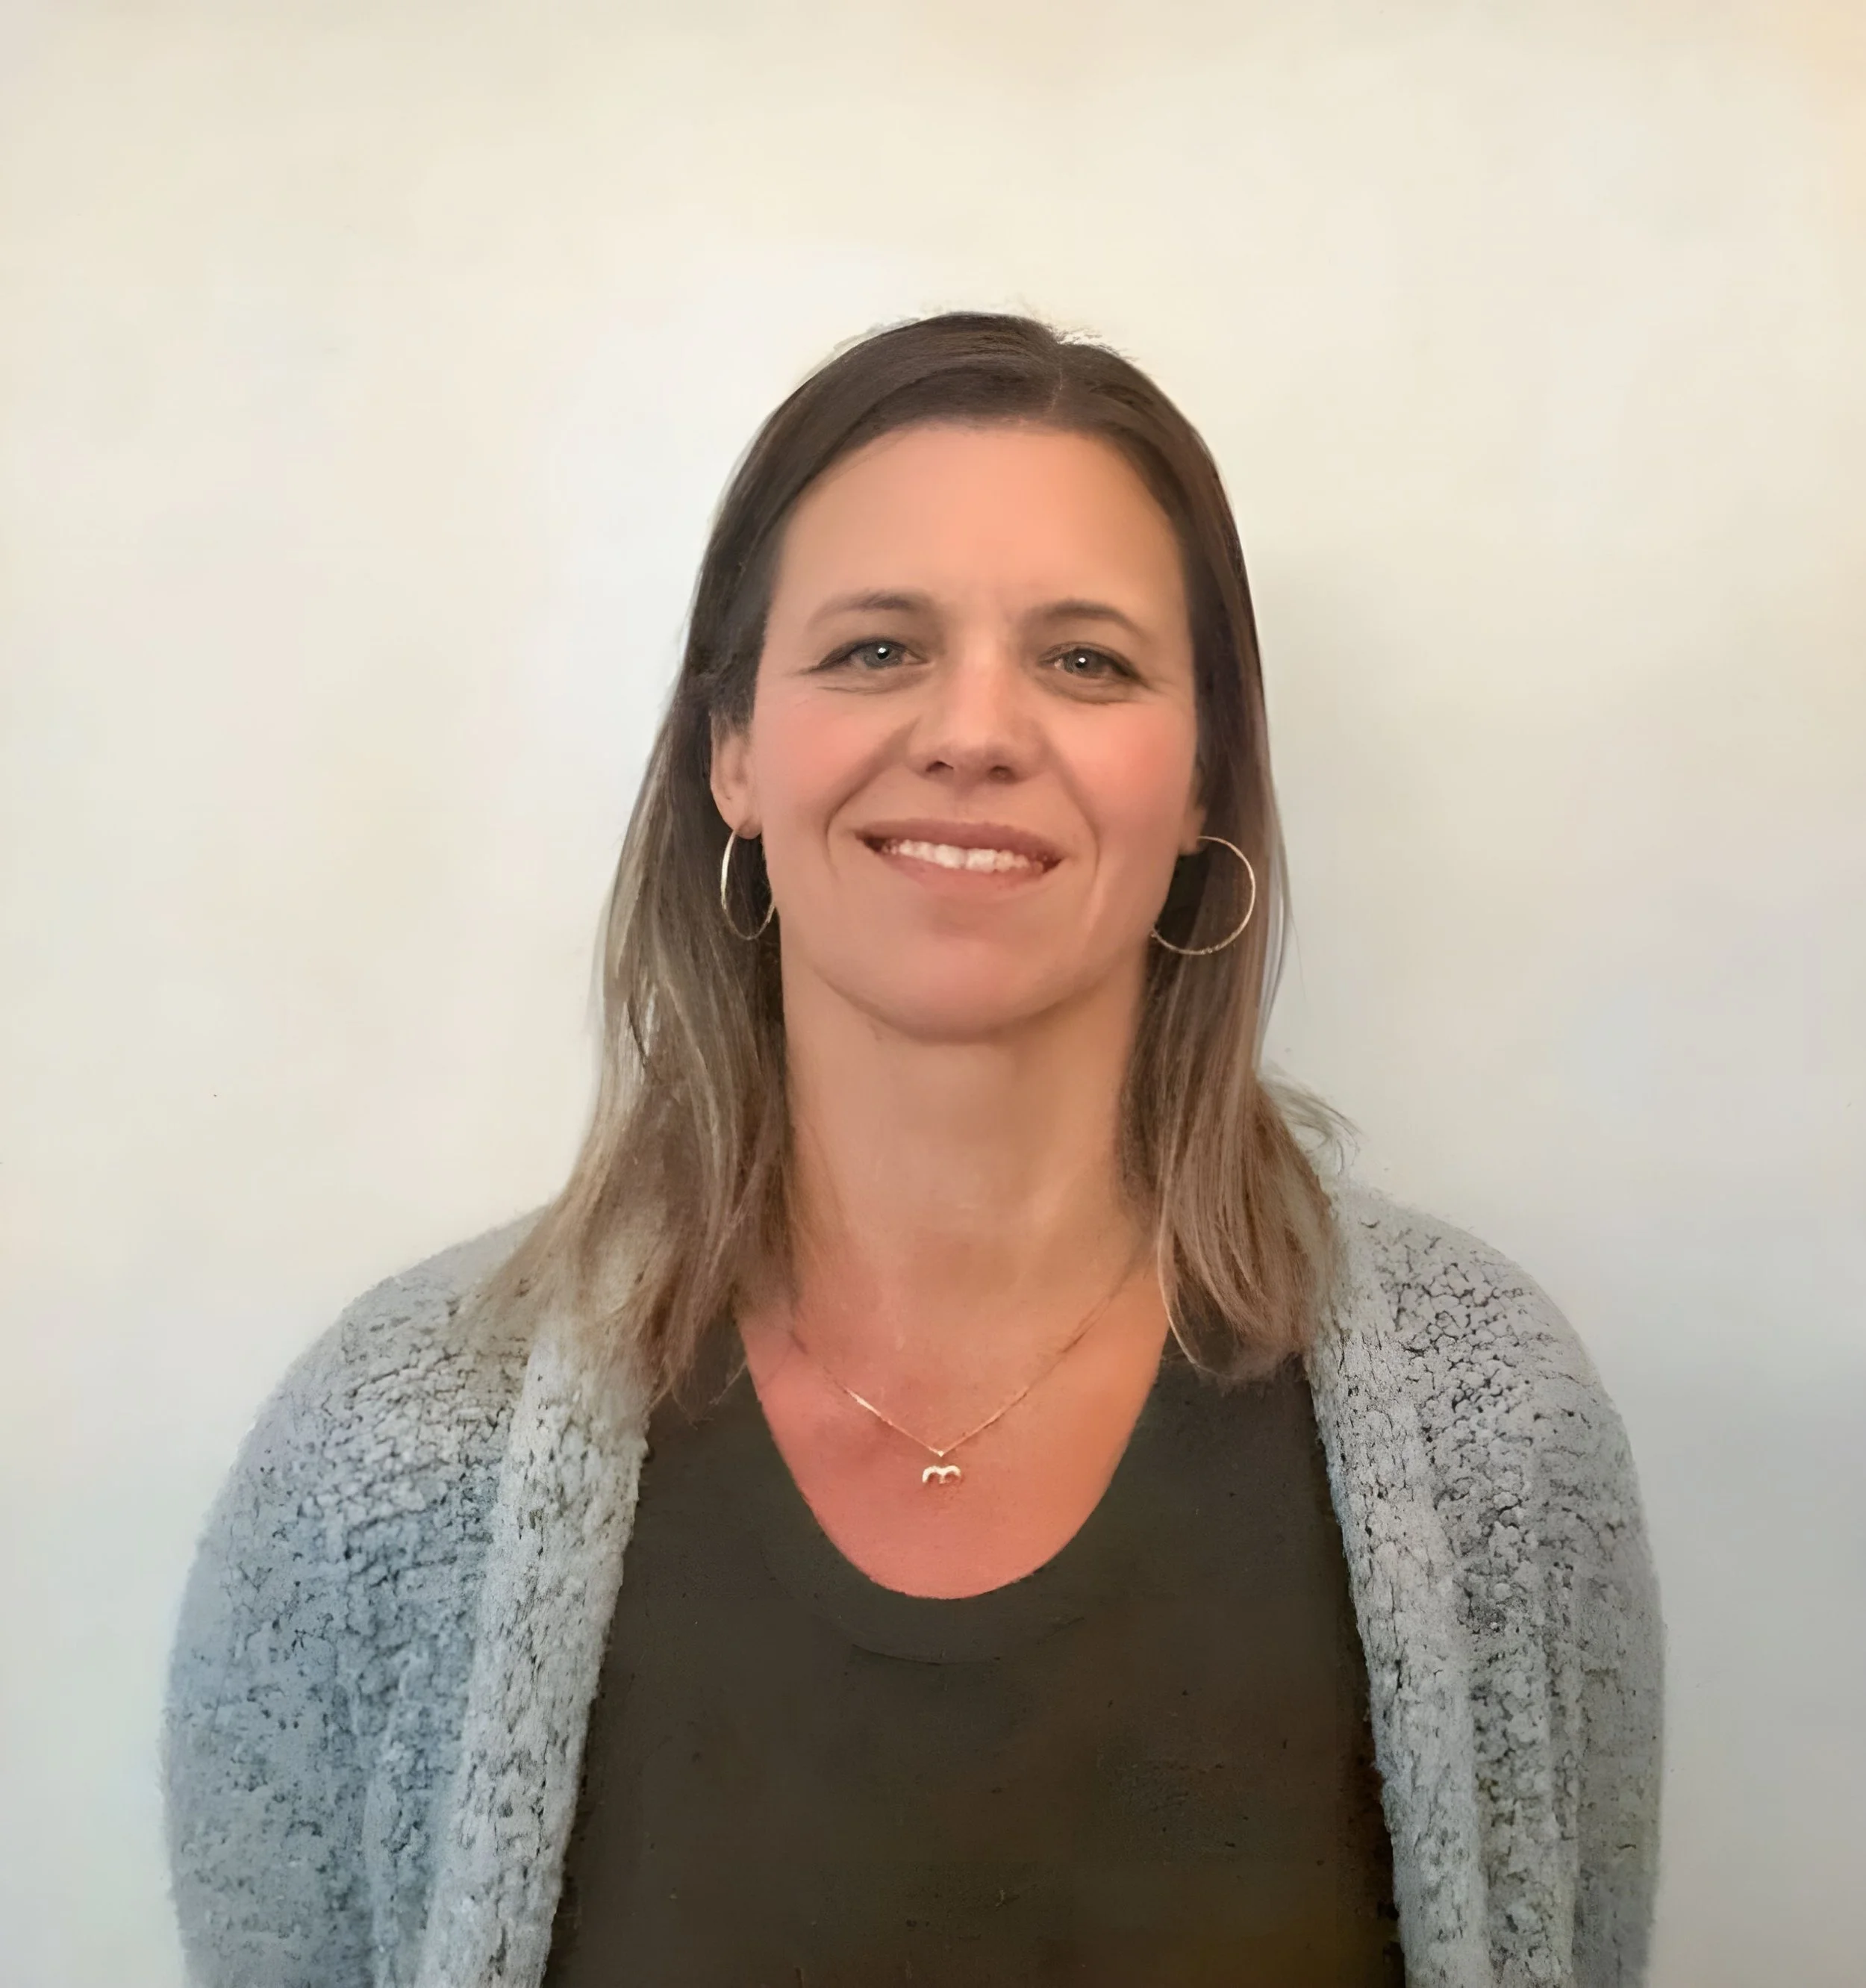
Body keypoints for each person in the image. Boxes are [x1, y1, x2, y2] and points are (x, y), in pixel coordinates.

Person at [161, 311, 1663, 1988]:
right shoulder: (386, 1456)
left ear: (1202, 781)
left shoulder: (1491, 1434)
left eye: (1085, 659)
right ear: (731, 751)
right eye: (876, 647)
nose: (973, 729)